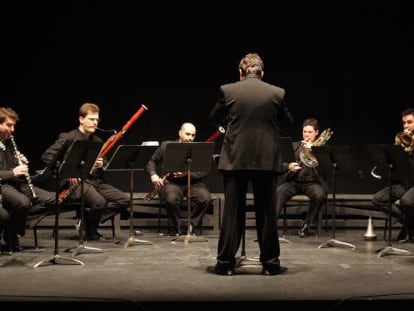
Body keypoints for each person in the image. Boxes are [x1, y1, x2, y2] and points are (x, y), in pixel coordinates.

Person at [208, 52, 294, 276]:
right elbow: (288, 122)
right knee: (266, 213)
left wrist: (232, 120)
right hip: (266, 160)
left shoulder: (228, 90)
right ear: (262, 73)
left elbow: (214, 117)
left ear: (240, 72)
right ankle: (270, 264)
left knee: (232, 213)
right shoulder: (277, 93)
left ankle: (225, 264)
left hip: (235, 159)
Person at [40, 102, 129, 241]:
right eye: (91, 119)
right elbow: (47, 156)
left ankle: (87, 221)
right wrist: (67, 173)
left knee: (124, 200)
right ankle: (91, 230)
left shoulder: (98, 140)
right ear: (81, 119)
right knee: (99, 202)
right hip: (74, 184)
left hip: (95, 182)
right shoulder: (68, 137)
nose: (95, 123)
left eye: (97, 120)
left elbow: (104, 164)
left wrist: (101, 165)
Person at [0, 107, 55, 252]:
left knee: (52, 200)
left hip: (14, 183)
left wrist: (20, 163)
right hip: (2, 184)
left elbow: (11, 166)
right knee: (23, 202)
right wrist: (13, 172)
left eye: (13, 126)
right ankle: (12, 232)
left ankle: (13, 227)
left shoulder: (8, 142)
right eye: (9, 125)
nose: (12, 129)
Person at [145, 122, 213, 236]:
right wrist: (154, 175)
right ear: (180, 133)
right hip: (171, 183)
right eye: (188, 134)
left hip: (192, 182)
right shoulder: (166, 146)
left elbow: (204, 172)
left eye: (193, 135)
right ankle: (177, 227)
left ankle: (191, 225)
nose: (190, 138)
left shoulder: (199, 149)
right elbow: (151, 161)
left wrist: (187, 174)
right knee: (171, 199)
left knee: (206, 198)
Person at [275, 118, 329, 238]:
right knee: (279, 191)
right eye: (304, 132)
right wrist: (288, 166)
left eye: (309, 132)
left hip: (312, 183)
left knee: (320, 195)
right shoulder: (294, 146)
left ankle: (307, 225)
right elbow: (280, 163)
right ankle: (270, 227)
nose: (306, 135)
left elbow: (326, 169)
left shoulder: (321, 150)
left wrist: (312, 152)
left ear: (316, 133)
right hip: (294, 181)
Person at [372, 107, 414, 243]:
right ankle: (408, 224)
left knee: (406, 201)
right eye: (404, 123)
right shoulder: (403, 140)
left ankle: (409, 229)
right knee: (378, 199)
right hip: (404, 184)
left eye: (409, 122)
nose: (406, 126)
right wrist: (397, 150)